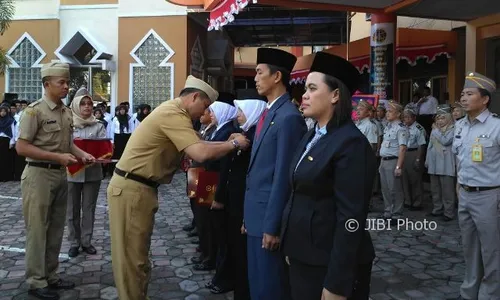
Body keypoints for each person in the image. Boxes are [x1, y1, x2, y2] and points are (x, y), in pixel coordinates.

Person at [107, 75, 250, 300]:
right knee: (131, 259)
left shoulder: (175, 112)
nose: (203, 113)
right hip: (132, 188)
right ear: (194, 97)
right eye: (204, 106)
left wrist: (226, 142)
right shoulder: (173, 113)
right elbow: (200, 152)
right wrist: (233, 144)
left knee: (139, 256)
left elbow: (201, 143)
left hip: (140, 188)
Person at [281, 52, 376, 300]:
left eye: (312, 88)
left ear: (335, 95)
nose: (304, 95)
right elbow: (298, 193)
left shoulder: (351, 143)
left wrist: (337, 283)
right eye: (305, 88)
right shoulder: (312, 135)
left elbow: (350, 218)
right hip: (305, 256)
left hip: (329, 265)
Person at [16, 62, 95, 300]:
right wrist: (57, 157)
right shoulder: (34, 111)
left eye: (67, 82)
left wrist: (81, 154)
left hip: (60, 175)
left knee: (56, 228)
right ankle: (36, 281)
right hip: (38, 176)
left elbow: (66, 143)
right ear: (46, 83)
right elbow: (22, 147)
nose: (66, 87)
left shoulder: (64, 111)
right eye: (61, 82)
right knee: (38, 230)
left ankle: (51, 275)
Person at [244, 47, 306, 300]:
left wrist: (272, 226)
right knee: (257, 283)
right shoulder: (271, 112)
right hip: (256, 215)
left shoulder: (289, 117)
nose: (255, 78)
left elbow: (283, 176)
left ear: (277, 76)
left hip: (269, 220)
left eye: (260, 72)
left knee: (270, 288)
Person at [451, 72, 500, 300]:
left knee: (492, 251)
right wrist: (458, 188)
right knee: (469, 249)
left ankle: (489, 295)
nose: (463, 97)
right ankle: (469, 292)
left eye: (470, 94)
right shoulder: (460, 126)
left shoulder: (496, 127)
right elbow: (459, 160)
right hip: (466, 195)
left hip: (489, 196)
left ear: (485, 99)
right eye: (462, 93)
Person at [215, 89, 267, 299]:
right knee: (235, 250)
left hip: (245, 205)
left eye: (241, 111)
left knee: (244, 254)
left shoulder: (256, 137)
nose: (237, 115)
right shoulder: (242, 134)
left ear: (253, 110)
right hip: (233, 202)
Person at [66, 95, 108, 258]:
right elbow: (63, 145)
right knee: (72, 209)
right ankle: (74, 243)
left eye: (89, 104)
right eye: (82, 104)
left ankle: (86, 241)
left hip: (92, 172)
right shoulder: (68, 125)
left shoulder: (98, 126)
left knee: (89, 208)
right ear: (76, 106)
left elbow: (104, 146)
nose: (87, 107)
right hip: (71, 171)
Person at [425, 104, 456, 221]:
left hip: (446, 164)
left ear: (448, 118)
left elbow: (445, 141)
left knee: (447, 190)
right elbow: (431, 146)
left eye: (443, 118)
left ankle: (448, 212)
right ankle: (437, 209)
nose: (440, 121)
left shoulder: (453, 128)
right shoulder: (435, 130)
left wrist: (436, 131)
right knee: (435, 189)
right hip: (434, 162)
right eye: (438, 118)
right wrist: (427, 160)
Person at [379, 100, 408, 221]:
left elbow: (402, 148)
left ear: (398, 114)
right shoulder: (388, 126)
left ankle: (397, 213)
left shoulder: (401, 128)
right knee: (385, 188)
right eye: (387, 111)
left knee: (394, 188)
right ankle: (388, 211)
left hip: (393, 161)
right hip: (384, 160)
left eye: (390, 111)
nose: (387, 113)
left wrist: (398, 167)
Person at [402, 103, 427, 211]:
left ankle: (417, 202)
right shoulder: (402, 127)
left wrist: (418, 159)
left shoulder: (419, 128)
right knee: (404, 178)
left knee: (415, 180)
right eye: (404, 117)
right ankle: (407, 200)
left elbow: (422, 145)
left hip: (414, 153)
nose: (406, 120)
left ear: (414, 118)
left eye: (408, 117)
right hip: (404, 153)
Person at [0, 104, 16, 182]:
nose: (2, 113)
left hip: (6, 141)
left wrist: (12, 142)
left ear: (7, 112)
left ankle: (5, 176)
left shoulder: (10, 121)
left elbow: (13, 132)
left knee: (5, 159)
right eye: (1, 111)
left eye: (4, 111)